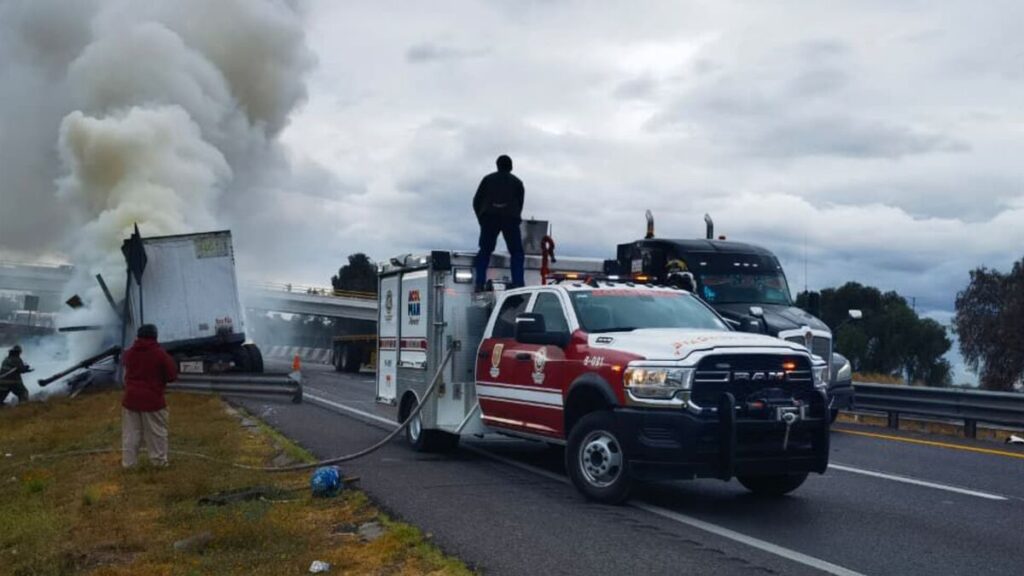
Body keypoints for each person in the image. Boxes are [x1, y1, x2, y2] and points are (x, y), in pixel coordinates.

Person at [121, 324, 177, 468]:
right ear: (155, 336)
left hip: (131, 399)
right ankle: (159, 463)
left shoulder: (129, 353)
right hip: (153, 400)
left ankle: (129, 464)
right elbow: (171, 375)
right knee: (156, 433)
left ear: (138, 336)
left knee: (131, 434)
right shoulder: (159, 354)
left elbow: (125, 372)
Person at [473, 154, 525, 290]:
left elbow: (476, 201)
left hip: (489, 218)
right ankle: (518, 283)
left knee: (485, 251)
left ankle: (479, 283)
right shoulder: (517, 183)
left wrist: (482, 219)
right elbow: (520, 203)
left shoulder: (487, 180)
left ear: (497, 166)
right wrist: (515, 216)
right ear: (511, 167)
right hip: (510, 219)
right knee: (517, 252)